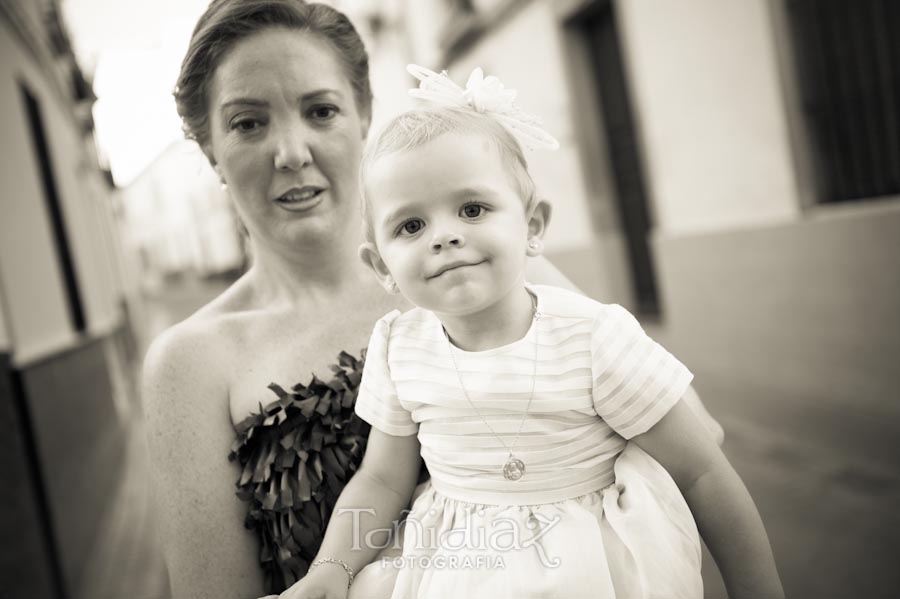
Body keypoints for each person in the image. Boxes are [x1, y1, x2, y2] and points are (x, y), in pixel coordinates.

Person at [280, 66, 783, 599]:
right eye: (411, 226)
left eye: (472, 209)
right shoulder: (400, 348)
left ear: (533, 226)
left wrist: (758, 588)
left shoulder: (590, 337)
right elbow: (382, 479)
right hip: (455, 564)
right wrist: (333, 566)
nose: (445, 237)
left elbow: (702, 470)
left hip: (587, 563)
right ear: (381, 265)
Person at [141, 2, 587, 598]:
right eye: (248, 123)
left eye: (320, 110)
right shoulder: (189, 364)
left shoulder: (486, 268)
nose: (292, 151)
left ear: (364, 116)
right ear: (209, 151)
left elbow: (680, 435)